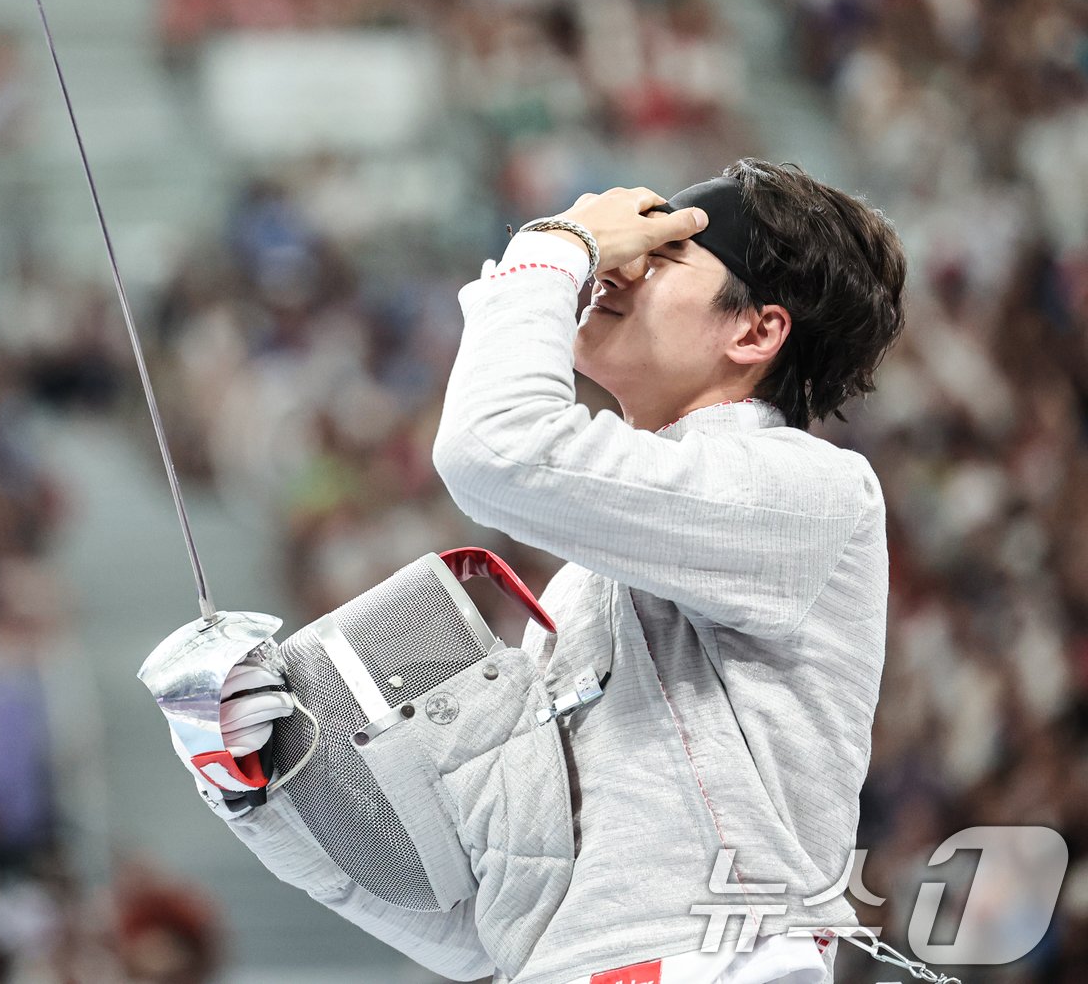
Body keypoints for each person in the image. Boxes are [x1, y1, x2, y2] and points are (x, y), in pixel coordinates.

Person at [178, 159, 906, 984]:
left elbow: (497, 448)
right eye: (626, 247)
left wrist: (550, 250)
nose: (617, 265)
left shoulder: (810, 491)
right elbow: (484, 917)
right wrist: (259, 774)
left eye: (662, 256)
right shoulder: (584, 586)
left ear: (753, 331)